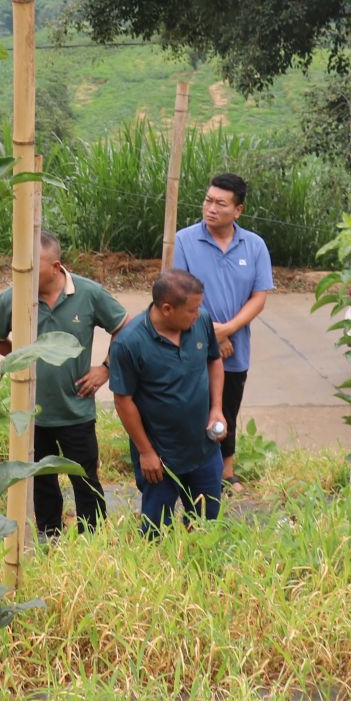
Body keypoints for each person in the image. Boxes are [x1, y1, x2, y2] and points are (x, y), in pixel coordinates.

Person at [0, 231, 129, 536]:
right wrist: (22, 357)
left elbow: (124, 326)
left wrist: (105, 369)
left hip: (76, 410)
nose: (24, 272)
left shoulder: (88, 293)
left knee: (85, 477)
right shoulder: (14, 296)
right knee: (40, 479)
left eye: (33, 267)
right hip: (31, 411)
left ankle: (92, 537)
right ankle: (49, 534)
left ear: (56, 266)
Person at [171, 173, 274, 485]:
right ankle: (188, 471)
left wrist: (227, 330)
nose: (211, 208)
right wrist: (211, 334)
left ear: (238, 210)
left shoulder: (254, 246)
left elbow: (259, 296)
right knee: (191, 407)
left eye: (220, 203)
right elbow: (178, 292)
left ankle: (225, 473)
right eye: (208, 200)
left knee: (228, 408)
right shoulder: (185, 240)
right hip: (193, 344)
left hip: (235, 347)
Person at [107, 269, 226, 532]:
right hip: (161, 457)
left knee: (207, 523)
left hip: (203, 449)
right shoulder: (129, 343)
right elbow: (123, 401)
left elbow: (214, 361)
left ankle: (199, 558)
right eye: (192, 310)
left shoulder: (201, 323)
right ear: (167, 309)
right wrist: (146, 452)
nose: (198, 314)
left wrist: (217, 408)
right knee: (156, 528)